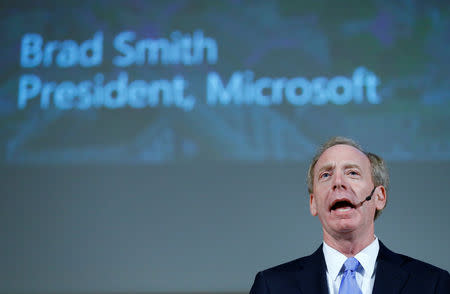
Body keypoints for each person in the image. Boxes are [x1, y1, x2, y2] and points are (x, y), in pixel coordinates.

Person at [249, 136, 450, 294]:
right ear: (313, 203)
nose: (338, 182)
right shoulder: (272, 287)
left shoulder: (432, 284)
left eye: (352, 173)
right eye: (325, 175)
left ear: (379, 197)